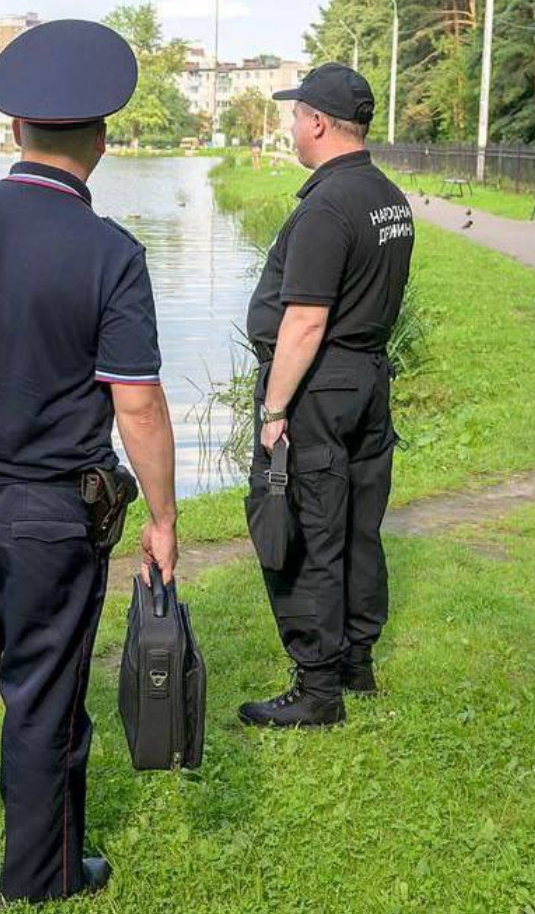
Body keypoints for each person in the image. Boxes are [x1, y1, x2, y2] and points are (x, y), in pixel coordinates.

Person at [0, 20, 179, 904]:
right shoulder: (109, 254)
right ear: (103, 138)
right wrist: (164, 520)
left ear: (14, 130)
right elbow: (135, 401)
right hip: (51, 513)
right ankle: (40, 876)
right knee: (43, 694)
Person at [237, 63, 414, 729]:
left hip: (317, 389)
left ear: (315, 121)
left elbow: (304, 320)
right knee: (355, 527)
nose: (289, 126)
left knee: (306, 530)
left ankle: (316, 689)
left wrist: (275, 408)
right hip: (366, 381)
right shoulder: (385, 195)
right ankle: (354, 661)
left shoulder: (327, 206)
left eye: (293, 115)